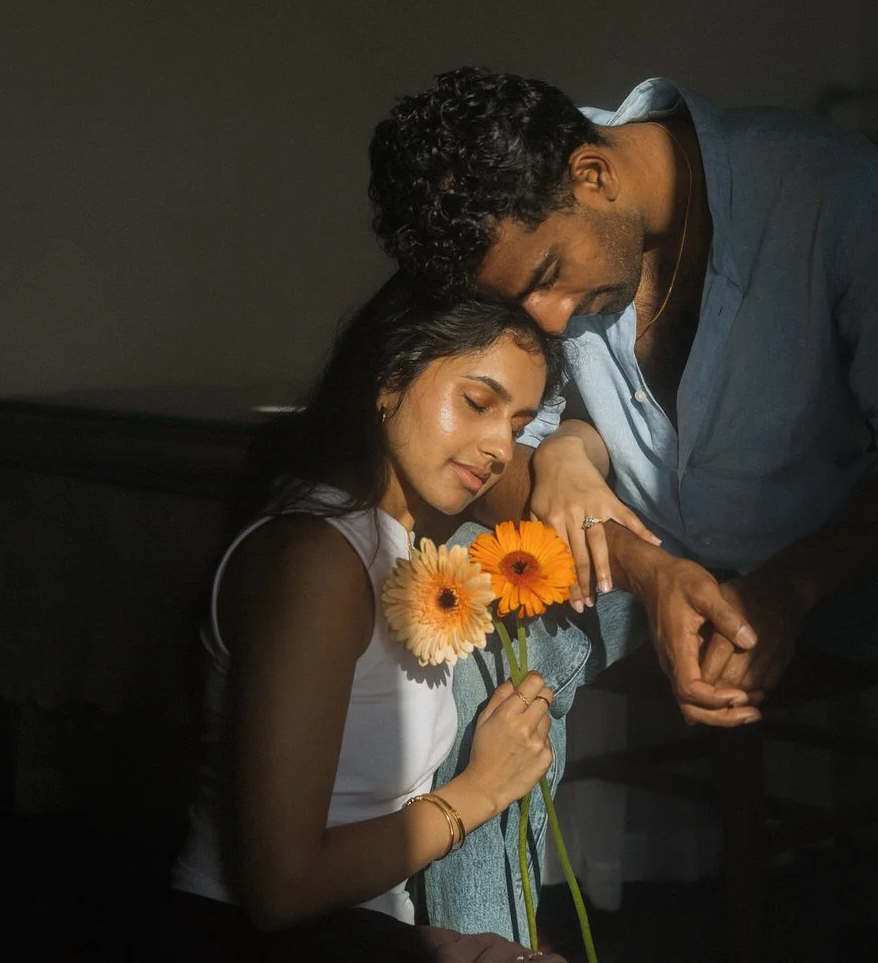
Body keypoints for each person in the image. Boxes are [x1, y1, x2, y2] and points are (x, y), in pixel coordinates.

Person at [368, 68, 878, 962]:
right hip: (628, 559)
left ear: (595, 176)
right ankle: (479, 953)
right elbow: (496, 456)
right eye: (518, 302)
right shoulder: (525, 225)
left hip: (831, 555)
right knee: (468, 594)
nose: (543, 316)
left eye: (548, 274)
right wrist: (621, 529)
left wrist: (787, 590)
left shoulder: (830, 187)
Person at [165, 271, 572, 962]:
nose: (500, 447)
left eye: (518, 425)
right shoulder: (318, 559)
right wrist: (480, 790)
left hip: (360, 928)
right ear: (388, 382)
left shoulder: (391, 546)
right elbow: (280, 889)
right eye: (477, 402)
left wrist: (571, 456)